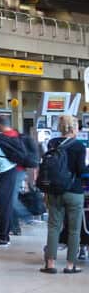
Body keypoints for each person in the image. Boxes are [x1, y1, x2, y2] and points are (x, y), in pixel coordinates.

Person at [42, 114, 86, 275]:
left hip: (54, 191)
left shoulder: (52, 143)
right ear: (74, 128)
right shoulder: (79, 146)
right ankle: (70, 265)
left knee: (53, 227)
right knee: (74, 229)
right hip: (74, 191)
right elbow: (81, 171)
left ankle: (50, 264)